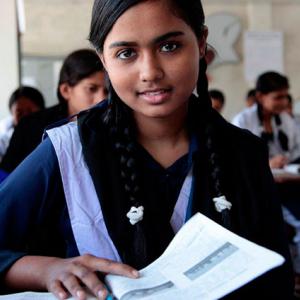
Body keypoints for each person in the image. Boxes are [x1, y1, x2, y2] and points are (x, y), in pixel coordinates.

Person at [0, 1, 293, 299]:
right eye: (126, 53)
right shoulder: (67, 151)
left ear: (201, 42)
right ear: (103, 59)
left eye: (169, 46)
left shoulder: (243, 153)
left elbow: (275, 281)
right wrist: (45, 270)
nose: (150, 72)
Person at [0, 49, 107, 175]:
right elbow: (6, 177)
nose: (102, 98)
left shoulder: (114, 126)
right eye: (91, 89)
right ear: (66, 90)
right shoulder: (30, 127)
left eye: (107, 91)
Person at [232, 71, 300, 169]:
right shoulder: (242, 120)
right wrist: (267, 164)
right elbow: (237, 157)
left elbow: (296, 148)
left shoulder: (285, 118)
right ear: (260, 97)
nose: (285, 102)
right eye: (278, 97)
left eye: (285, 96)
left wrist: (284, 160)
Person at [0, 86, 45, 161]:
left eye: (30, 112)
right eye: (19, 113)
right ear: (12, 114)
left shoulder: (51, 138)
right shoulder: (3, 142)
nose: (25, 118)